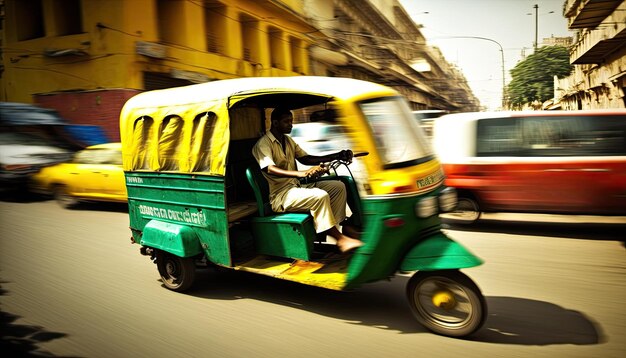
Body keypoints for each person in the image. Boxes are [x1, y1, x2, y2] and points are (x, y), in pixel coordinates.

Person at [252, 107, 363, 253]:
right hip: (280, 196)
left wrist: (337, 155)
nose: (291, 125)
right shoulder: (263, 144)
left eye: (291, 121)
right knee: (320, 196)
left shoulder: (288, 140)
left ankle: (336, 229)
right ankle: (340, 240)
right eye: (287, 122)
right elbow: (269, 168)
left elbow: (306, 158)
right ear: (275, 122)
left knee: (338, 187)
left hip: (296, 188)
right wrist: (301, 174)